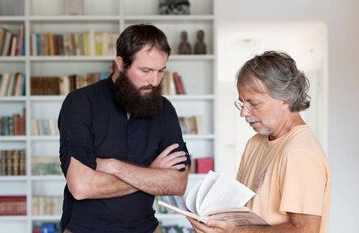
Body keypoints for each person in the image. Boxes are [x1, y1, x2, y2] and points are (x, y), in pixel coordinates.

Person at [58, 24, 190, 233]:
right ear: (120, 63)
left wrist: (112, 166)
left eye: (161, 71)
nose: (154, 81)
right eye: (146, 71)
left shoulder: (165, 110)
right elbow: (82, 187)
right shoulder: (80, 103)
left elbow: (177, 183)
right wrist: (152, 174)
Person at [188, 51, 330, 233]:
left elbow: (306, 230)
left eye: (253, 104)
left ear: (286, 99)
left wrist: (236, 231)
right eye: (242, 103)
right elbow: (243, 213)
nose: (244, 113)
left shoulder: (299, 153)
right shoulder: (255, 143)